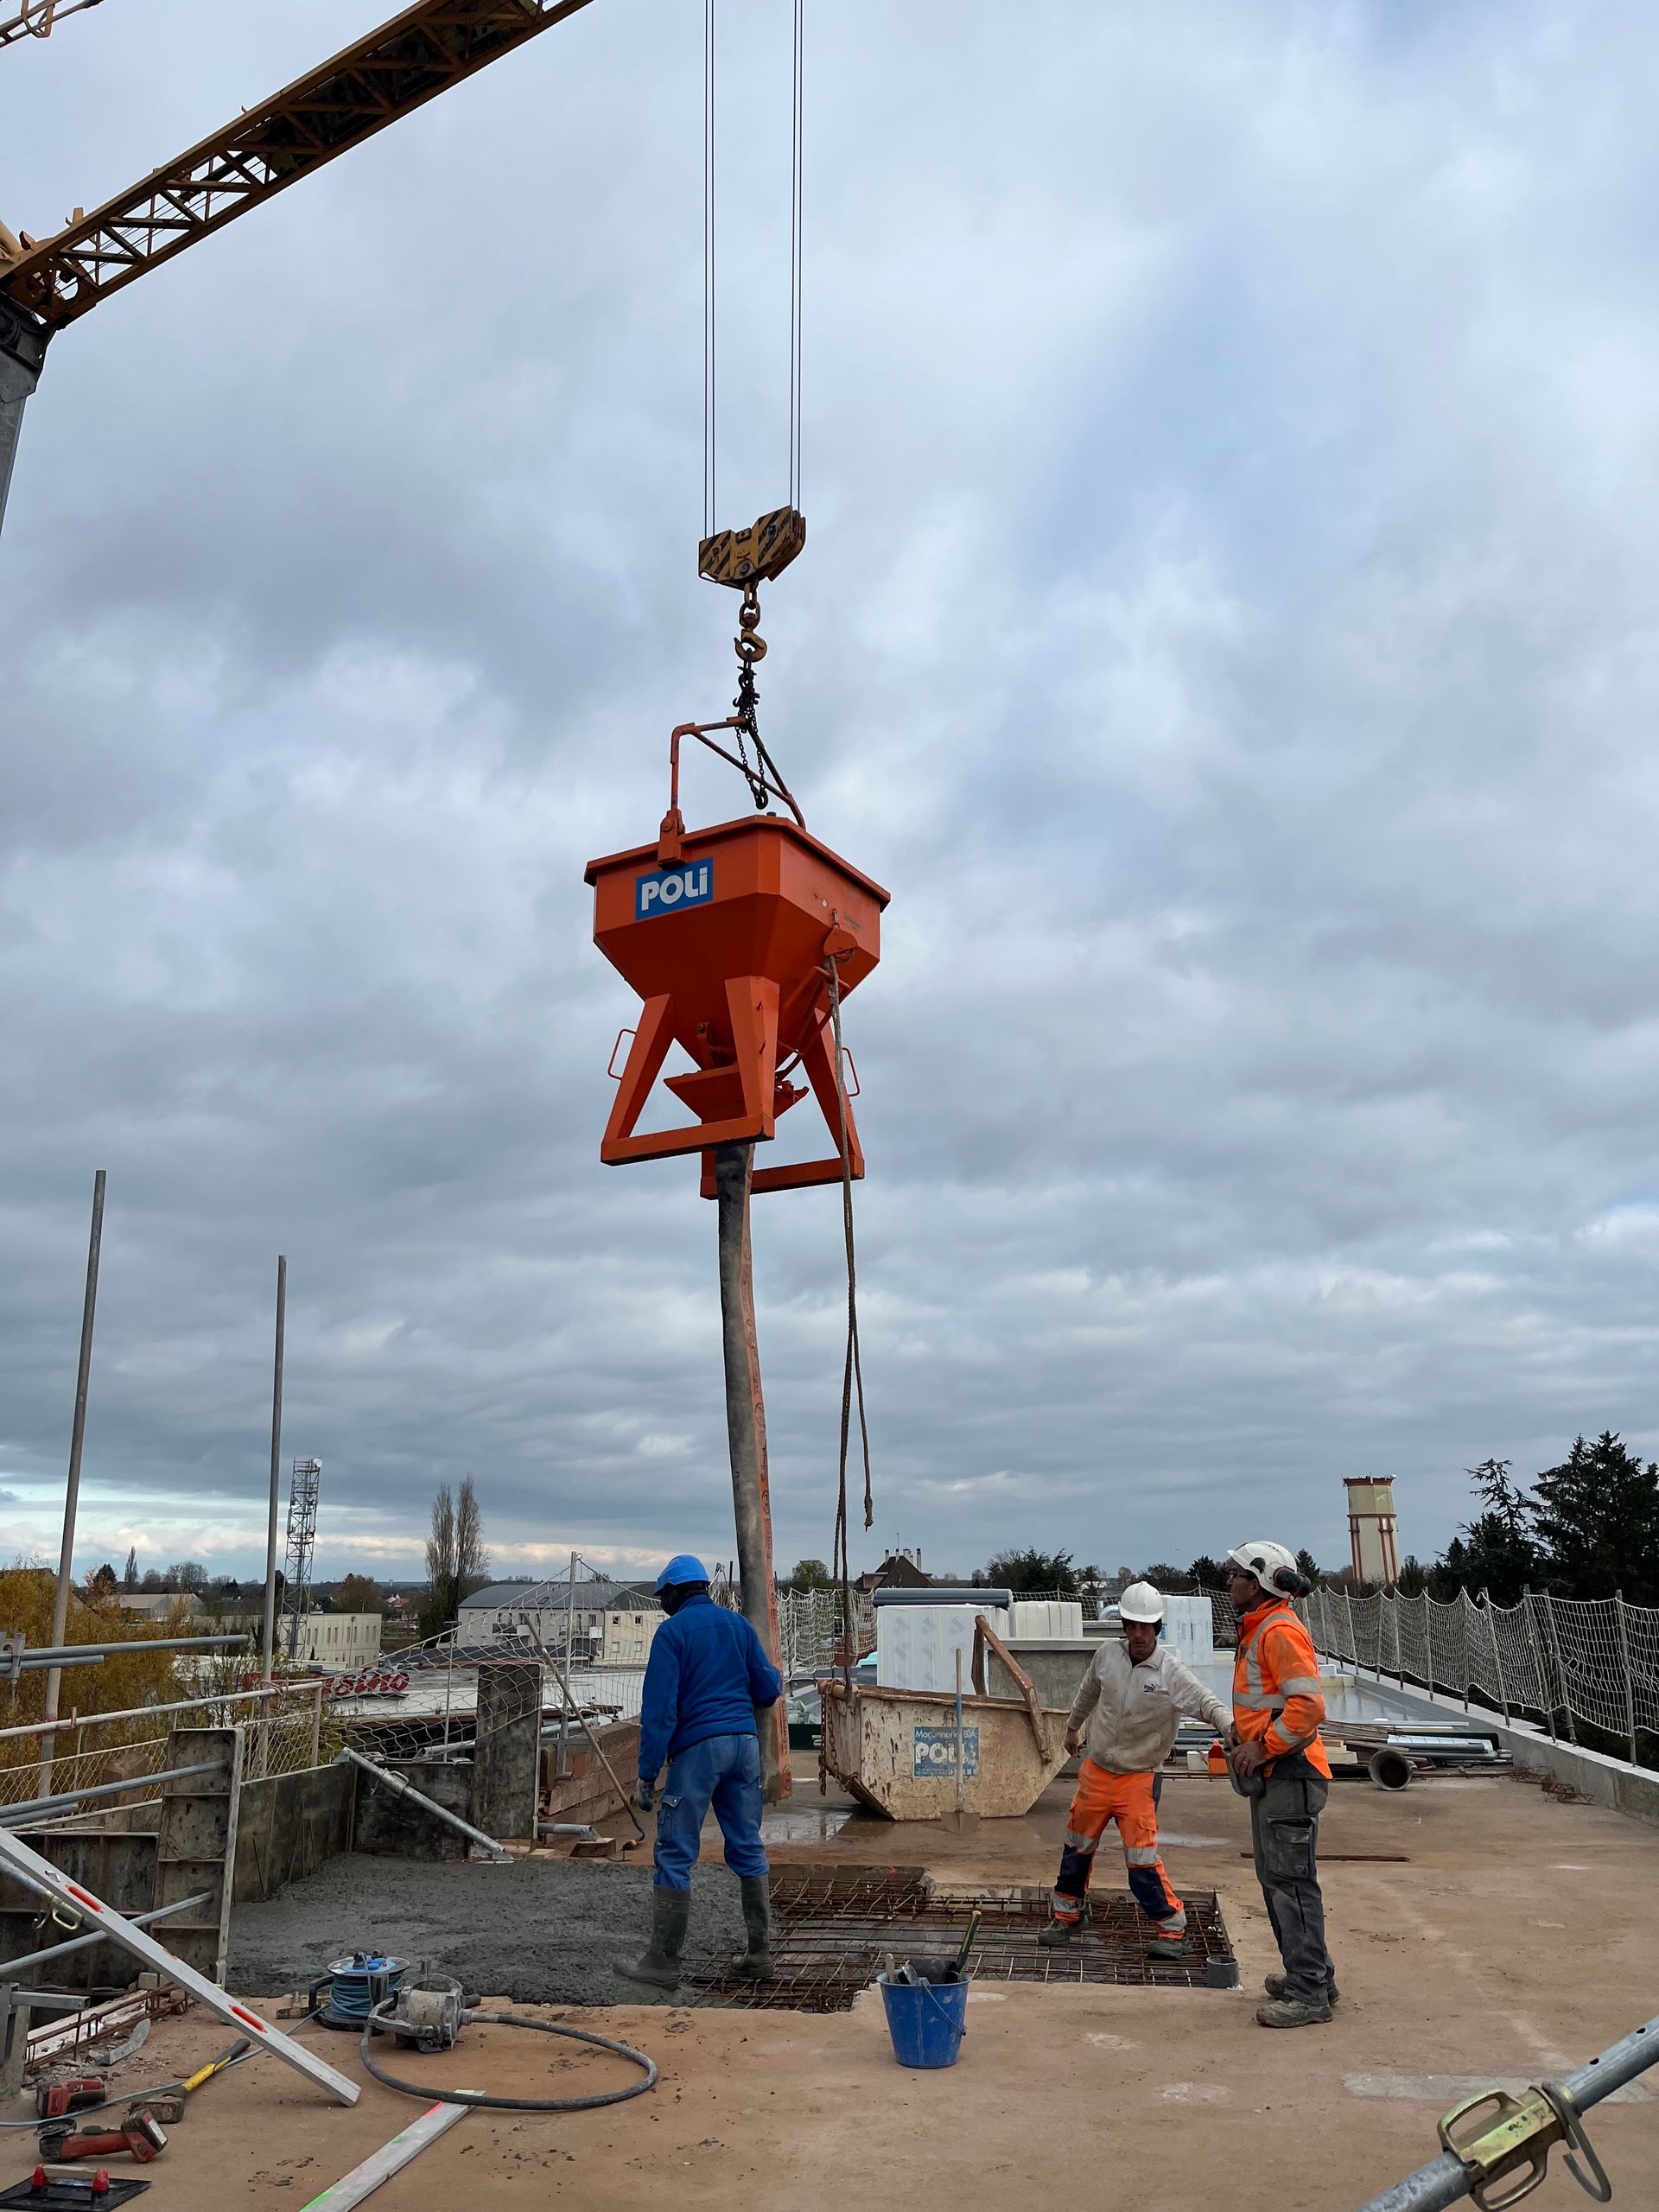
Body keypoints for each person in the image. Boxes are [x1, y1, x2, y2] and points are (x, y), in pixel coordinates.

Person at [617, 1554, 783, 1993]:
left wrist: (647, 1774)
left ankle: (662, 1962)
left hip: (700, 1750)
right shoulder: (739, 1626)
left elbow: (660, 1712)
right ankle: (759, 1954)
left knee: (675, 1852)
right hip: (744, 1748)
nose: (662, 1605)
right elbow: (768, 1689)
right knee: (747, 1844)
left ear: (675, 1593)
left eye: (663, 1597)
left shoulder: (672, 1633)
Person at [1040, 1580, 1231, 1958]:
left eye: (1146, 1627)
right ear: (1124, 1626)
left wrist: (1232, 1729)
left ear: (1157, 1627)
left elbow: (1207, 1703)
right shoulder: (1107, 1656)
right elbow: (1088, 1692)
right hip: (1097, 1771)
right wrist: (1072, 1727)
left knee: (1141, 1860)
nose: (1138, 1634)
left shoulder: (1170, 1673)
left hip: (1139, 1778)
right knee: (1076, 1848)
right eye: (1132, 1625)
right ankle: (1067, 1917)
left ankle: (1172, 1931)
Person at [1224, 1538, 1338, 2029]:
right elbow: (1267, 1702)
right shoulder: (1260, 1628)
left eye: (1236, 1574)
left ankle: (1309, 1992)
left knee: (1291, 1883)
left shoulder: (1279, 1631)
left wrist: (1262, 1747)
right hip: (1278, 1774)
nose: (1229, 1582)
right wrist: (1241, 1733)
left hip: (1291, 1773)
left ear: (1258, 1583)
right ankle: (1313, 1977)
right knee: (1279, 1879)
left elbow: (1308, 1708)